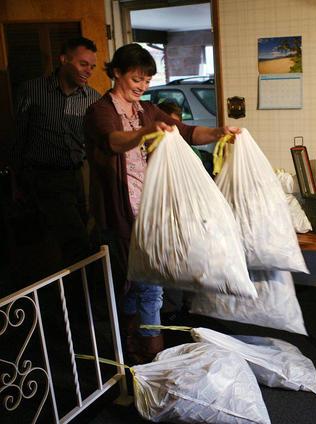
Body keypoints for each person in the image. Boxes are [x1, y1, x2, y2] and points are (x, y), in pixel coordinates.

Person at [84, 43, 239, 363]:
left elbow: (187, 132)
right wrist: (144, 133)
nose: (141, 87)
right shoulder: (100, 111)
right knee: (146, 282)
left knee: (138, 282)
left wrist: (220, 132)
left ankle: (133, 344)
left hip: (151, 210)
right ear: (116, 73)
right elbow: (113, 142)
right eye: (136, 79)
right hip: (121, 212)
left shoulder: (146, 110)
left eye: (146, 81)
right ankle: (152, 352)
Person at [11, 37, 100, 271]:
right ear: (64, 60)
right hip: (45, 177)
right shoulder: (32, 90)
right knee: (74, 241)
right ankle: (79, 299)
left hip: (80, 176)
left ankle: (79, 293)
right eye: (83, 64)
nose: (88, 71)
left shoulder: (92, 98)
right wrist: (15, 181)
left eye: (92, 66)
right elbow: (17, 137)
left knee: (85, 234)